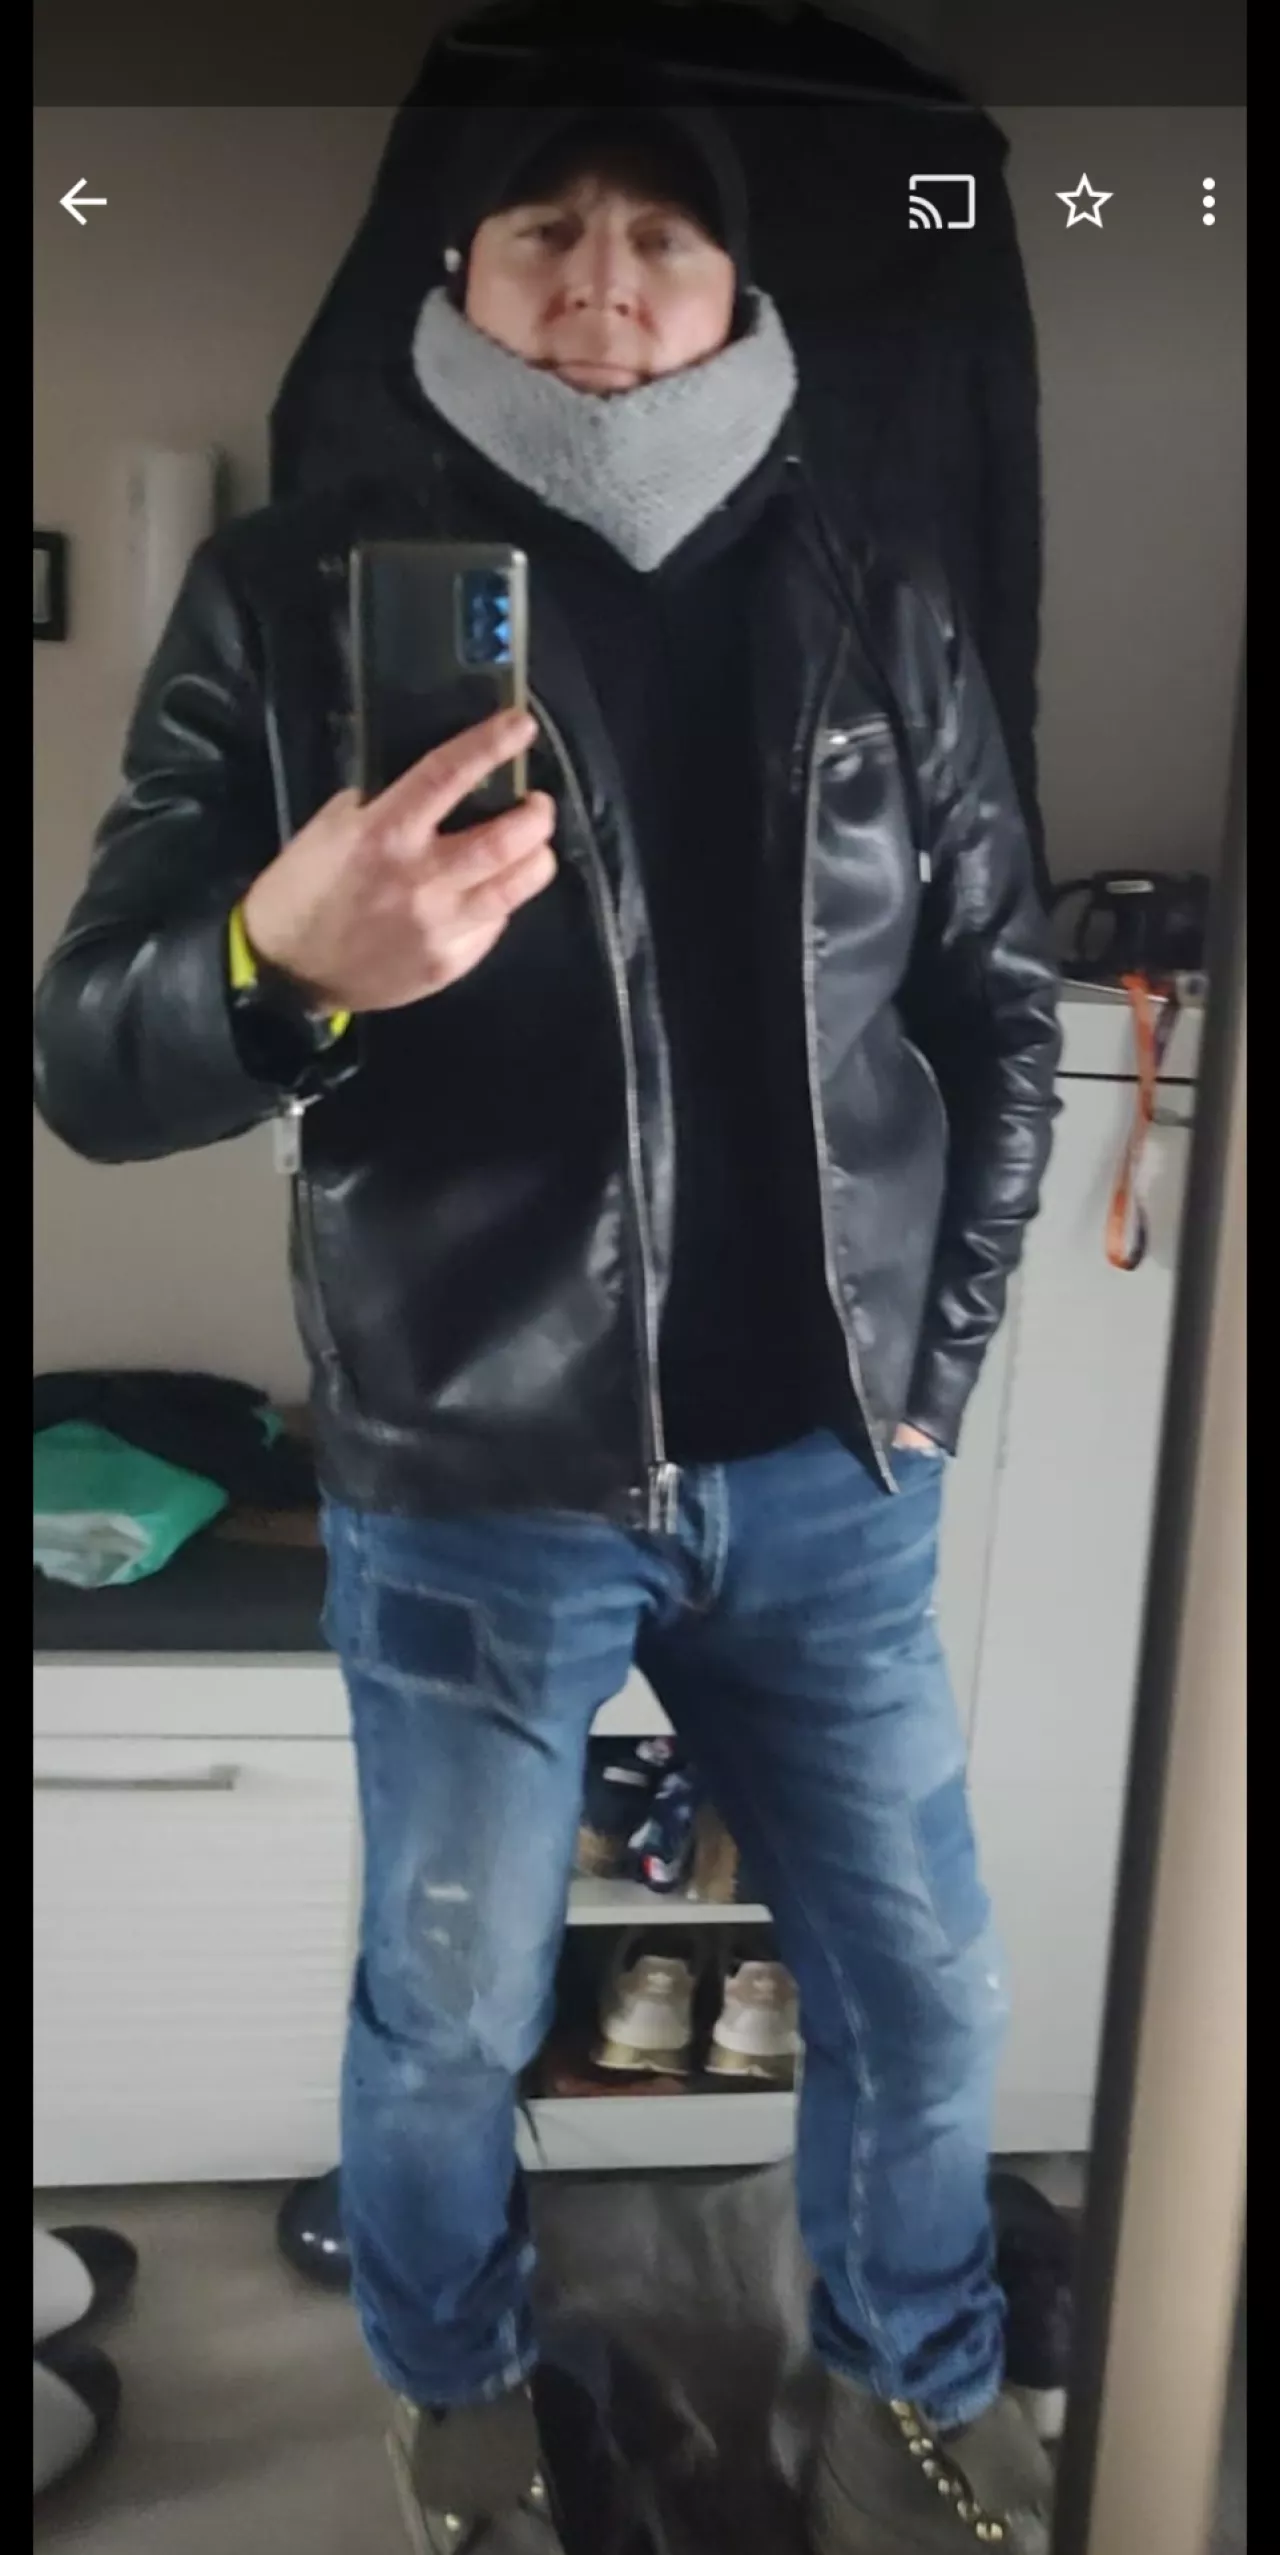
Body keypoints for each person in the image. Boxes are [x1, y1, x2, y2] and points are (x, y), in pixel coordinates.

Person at [34, 66, 1062, 2555]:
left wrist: (932, 1373)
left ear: (737, 292)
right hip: (468, 1474)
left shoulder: (882, 585)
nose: (604, 279)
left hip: (825, 1473)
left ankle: (921, 2377)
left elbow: (999, 1011)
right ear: (460, 277)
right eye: (546, 231)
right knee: (448, 2010)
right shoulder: (295, 593)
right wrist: (282, 962)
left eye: (662, 237)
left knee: (926, 1988)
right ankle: (461, 2390)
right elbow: (86, 1049)